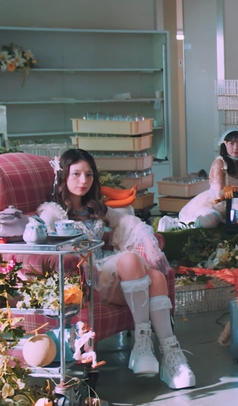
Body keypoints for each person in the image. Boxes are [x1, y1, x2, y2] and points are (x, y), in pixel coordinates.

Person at [37, 149, 195, 390]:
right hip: (87, 277)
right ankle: (142, 347)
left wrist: (144, 235)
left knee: (156, 276)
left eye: (89, 174)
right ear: (63, 176)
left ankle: (170, 356)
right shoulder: (53, 212)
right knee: (130, 260)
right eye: (76, 174)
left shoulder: (94, 208)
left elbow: (123, 221)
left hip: (108, 269)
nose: (83, 181)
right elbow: (42, 242)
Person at [174, 129, 238, 229]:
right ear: (224, 145)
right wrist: (231, 190)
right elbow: (218, 194)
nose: (235, 148)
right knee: (210, 222)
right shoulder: (219, 163)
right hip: (218, 203)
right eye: (231, 144)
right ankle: (191, 223)